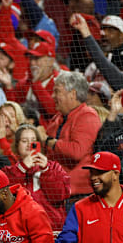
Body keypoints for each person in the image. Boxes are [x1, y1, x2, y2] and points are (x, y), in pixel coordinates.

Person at [38, 71, 101, 201]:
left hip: (78, 196)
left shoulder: (87, 115)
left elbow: (77, 151)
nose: (52, 95)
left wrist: (47, 140)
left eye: (57, 91)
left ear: (73, 94)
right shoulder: (57, 118)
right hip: (56, 190)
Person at [2, 124, 71, 231]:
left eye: (33, 140)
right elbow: (6, 197)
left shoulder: (54, 167)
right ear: (17, 145)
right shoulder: (9, 172)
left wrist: (46, 170)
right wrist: (22, 168)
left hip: (51, 228)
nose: (30, 145)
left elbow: (59, 196)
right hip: (20, 231)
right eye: (24, 141)